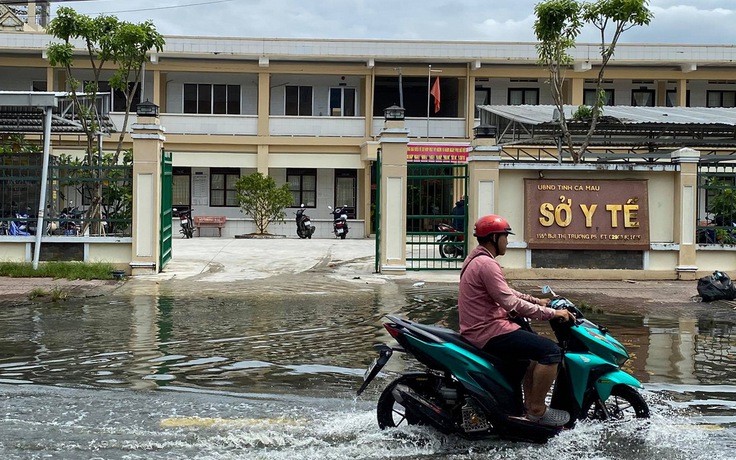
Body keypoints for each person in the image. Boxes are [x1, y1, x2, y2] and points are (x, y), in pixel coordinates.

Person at [457, 214, 575, 427]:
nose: (507, 242)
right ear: (494, 238)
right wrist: (551, 313)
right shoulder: (486, 264)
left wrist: (537, 300)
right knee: (551, 352)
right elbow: (510, 302)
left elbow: (505, 291)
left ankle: (528, 406)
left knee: (531, 354)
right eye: (505, 237)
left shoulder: (476, 259)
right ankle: (538, 409)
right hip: (488, 330)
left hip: (482, 327)